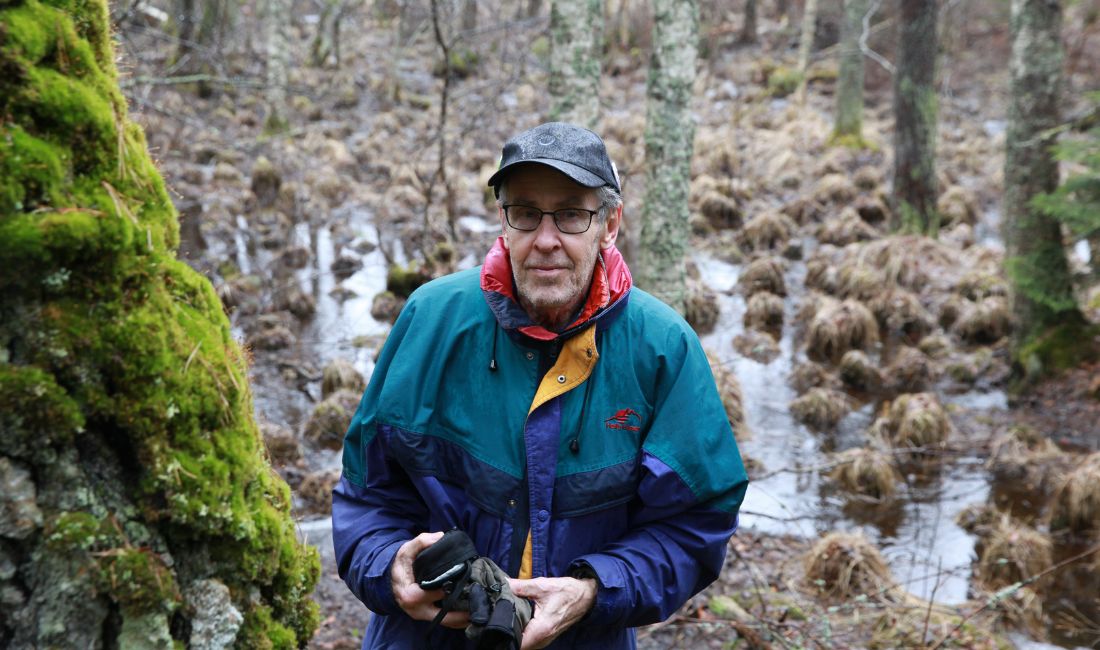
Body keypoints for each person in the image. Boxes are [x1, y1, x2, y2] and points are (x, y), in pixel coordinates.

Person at [333, 121, 748, 649]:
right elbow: (366, 494)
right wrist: (387, 566)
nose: (545, 240)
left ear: (610, 223)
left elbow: (696, 525)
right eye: (526, 213)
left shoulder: (662, 349)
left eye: (572, 214)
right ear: (503, 220)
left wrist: (594, 590)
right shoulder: (430, 322)